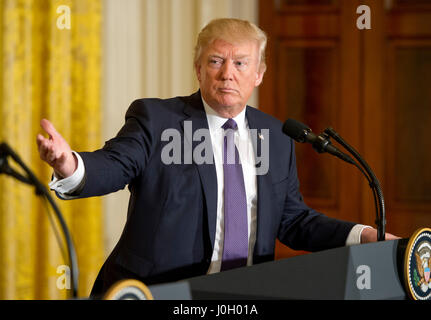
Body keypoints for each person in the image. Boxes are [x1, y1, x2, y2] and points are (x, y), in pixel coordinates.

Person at [36, 18, 397, 297]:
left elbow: (293, 220)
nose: (227, 73)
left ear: (259, 74)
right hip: (155, 292)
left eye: (241, 63)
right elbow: (114, 165)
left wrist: (362, 235)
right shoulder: (157, 121)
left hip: (242, 295)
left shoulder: (275, 136)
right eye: (216, 61)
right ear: (198, 68)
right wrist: (70, 164)